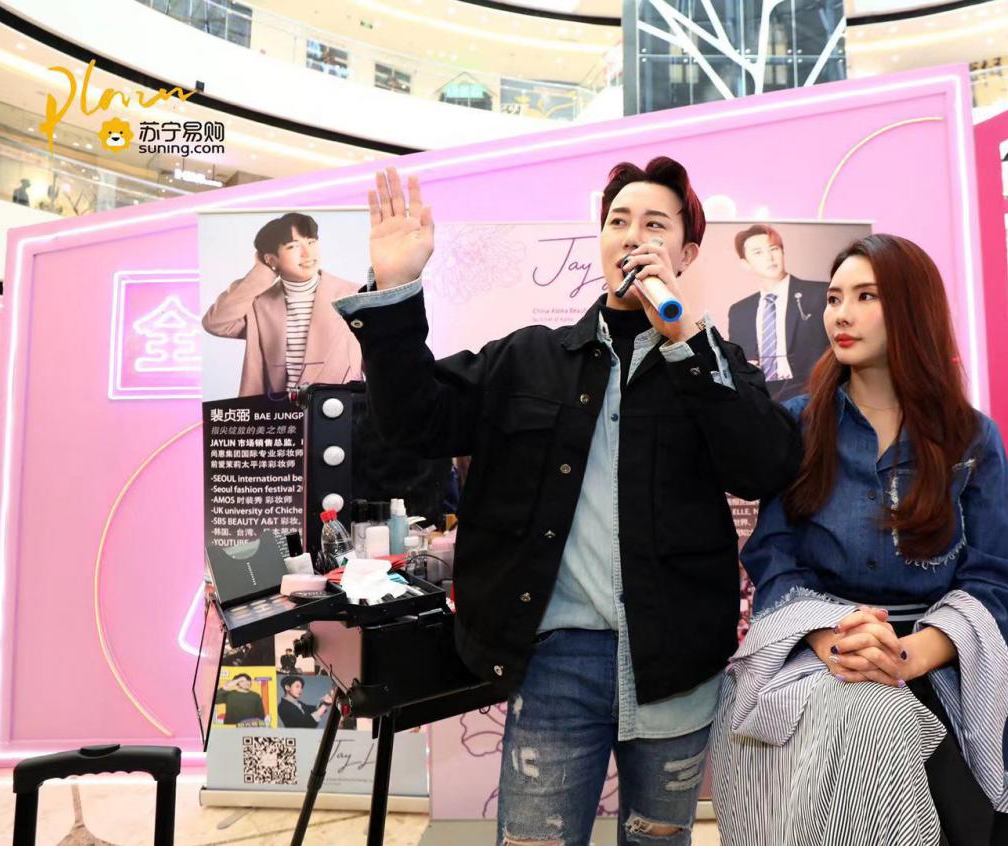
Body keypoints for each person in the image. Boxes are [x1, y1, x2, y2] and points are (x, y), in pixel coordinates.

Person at [334, 162, 801, 845]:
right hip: (556, 660)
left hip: (675, 662)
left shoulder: (714, 363)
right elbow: (413, 422)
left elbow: (765, 465)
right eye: (618, 221)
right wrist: (397, 293)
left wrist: (688, 345)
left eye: (654, 224)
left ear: (686, 254)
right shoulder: (527, 358)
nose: (631, 236)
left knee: (658, 839)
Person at [711, 234, 1008, 846]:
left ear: (914, 308)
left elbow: (996, 579)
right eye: (835, 297)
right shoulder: (799, 426)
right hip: (823, 664)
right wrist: (835, 641)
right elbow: (774, 558)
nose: (842, 313)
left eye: (866, 296)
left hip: (946, 668)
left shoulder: (970, 436)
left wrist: (906, 656)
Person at [202, 212, 363, 397]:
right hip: (279, 411)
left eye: (311, 242)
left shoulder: (355, 295)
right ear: (271, 258)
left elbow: (377, 361)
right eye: (293, 246)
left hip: (340, 409)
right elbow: (216, 323)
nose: (307, 253)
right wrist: (262, 274)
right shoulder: (258, 304)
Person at [726, 224, 829, 401]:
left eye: (773, 249)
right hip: (760, 399)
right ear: (745, 264)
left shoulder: (819, 294)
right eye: (758, 252)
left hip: (811, 394)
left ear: (782, 252)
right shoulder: (739, 311)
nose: (769, 257)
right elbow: (737, 362)